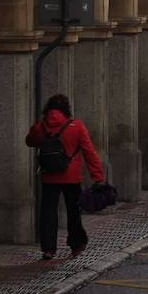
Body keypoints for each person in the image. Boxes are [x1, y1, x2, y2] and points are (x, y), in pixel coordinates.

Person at [26, 94, 107, 260]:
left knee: (48, 212)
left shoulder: (42, 126)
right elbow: (89, 152)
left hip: (49, 176)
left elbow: (30, 141)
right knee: (73, 211)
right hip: (71, 177)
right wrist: (97, 175)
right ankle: (76, 243)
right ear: (67, 109)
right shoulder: (76, 126)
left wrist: (38, 127)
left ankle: (48, 248)